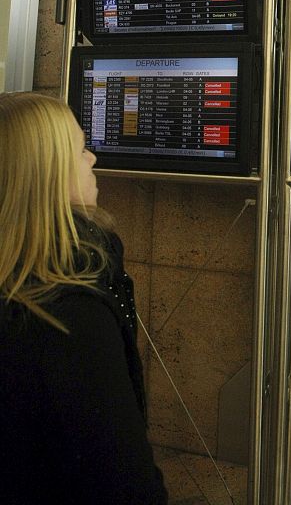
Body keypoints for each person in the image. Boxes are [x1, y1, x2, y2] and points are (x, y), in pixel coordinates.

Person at [0, 92, 168, 505]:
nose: (91, 158)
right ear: (46, 175)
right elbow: (125, 481)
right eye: (78, 150)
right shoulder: (66, 310)